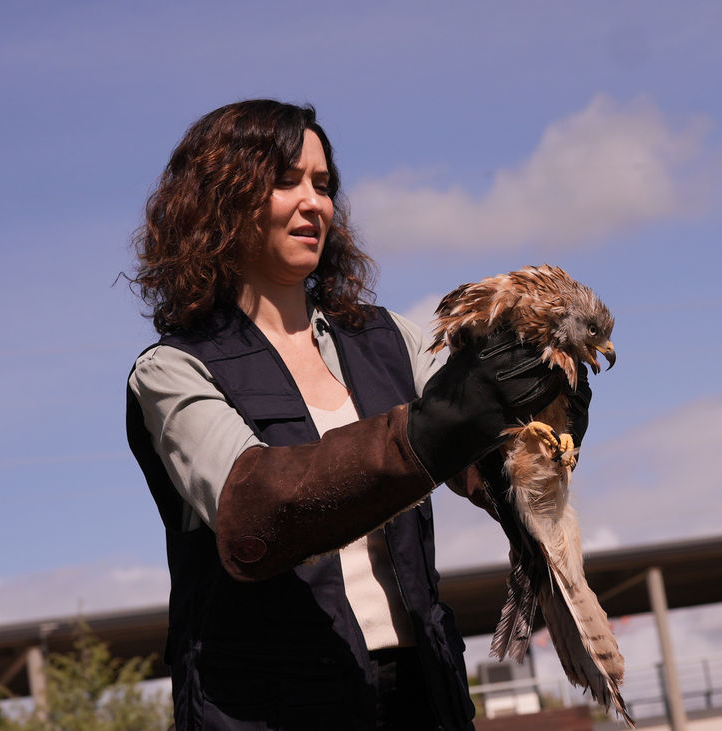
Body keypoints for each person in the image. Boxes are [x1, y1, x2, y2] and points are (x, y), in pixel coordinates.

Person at [126, 99, 585, 730]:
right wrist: (429, 433)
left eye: (322, 185)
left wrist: (538, 424)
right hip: (272, 710)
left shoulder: (389, 338)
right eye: (285, 181)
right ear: (220, 200)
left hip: (423, 692)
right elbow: (255, 508)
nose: (313, 202)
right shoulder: (174, 369)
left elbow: (484, 474)